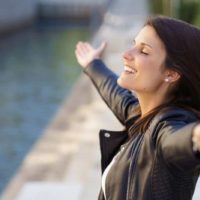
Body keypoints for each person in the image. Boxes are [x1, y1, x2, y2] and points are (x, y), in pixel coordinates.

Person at [75, 15, 200, 200]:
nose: (126, 54)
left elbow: (176, 140)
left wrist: (195, 136)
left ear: (171, 74)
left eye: (144, 51)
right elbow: (118, 96)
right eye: (134, 44)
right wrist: (93, 64)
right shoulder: (142, 117)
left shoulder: (165, 127)